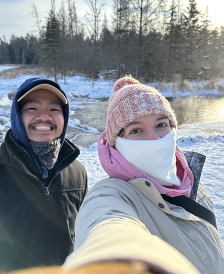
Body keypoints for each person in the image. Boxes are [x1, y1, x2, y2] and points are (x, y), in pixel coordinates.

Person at [62, 76, 224, 274]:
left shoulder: (190, 182)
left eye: (161, 125)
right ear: (116, 144)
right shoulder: (112, 195)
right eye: (136, 130)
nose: (154, 139)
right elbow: (106, 226)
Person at [0, 77, 88, 271]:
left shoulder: (77, 172)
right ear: (17, 115)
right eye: (32, 109)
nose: (44, 117)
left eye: (54, 109)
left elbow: (82, 235)